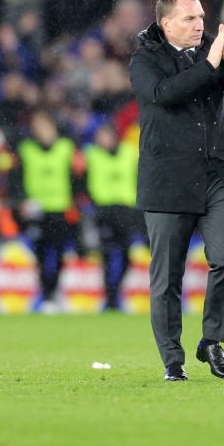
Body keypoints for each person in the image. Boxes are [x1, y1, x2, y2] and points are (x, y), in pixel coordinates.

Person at [129, 0, 224, 381]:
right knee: (167, 277)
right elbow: (163, 94)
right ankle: (173, 360)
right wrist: (210, 64)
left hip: (214, 174)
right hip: (167, 180)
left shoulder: (214, 52)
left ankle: (212, 342)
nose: (199, 24)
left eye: (201, 17)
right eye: (189, 19)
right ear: (166, 24)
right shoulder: (145, 58)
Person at [11, 110, 79, 313]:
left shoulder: (67, 148)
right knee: (40, 254)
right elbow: (16, 179)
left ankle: (54, 290)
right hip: (37, 210)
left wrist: (76, 202)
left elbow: (78, 177)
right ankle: (46, 294)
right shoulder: (26, 150)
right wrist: (22, 200)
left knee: (59, 253)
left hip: (61, 208)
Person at [84, 122, 141, 311]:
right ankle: (110, 298)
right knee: (107, 255)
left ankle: (114, 294)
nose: (103, 141)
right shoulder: (91, 155)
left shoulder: (129, 152)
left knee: (126, 257)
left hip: (126, 210)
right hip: (104, 211)